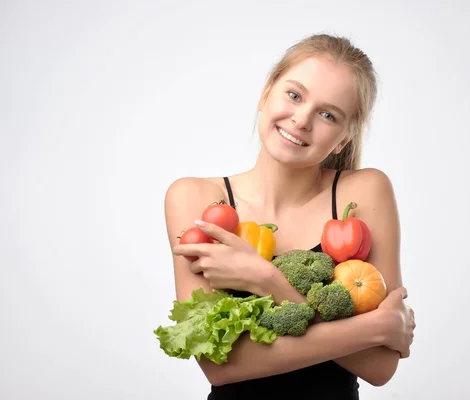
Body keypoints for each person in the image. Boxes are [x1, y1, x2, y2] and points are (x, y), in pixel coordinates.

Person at [164, 33, 416, 400]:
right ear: (266, 93)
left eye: (328, 114)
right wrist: (375, 328)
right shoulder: (196, 198)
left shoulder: (363, 193)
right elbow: (221, 366)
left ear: (344, 138)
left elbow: (379, 368)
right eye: (295, 95)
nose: (301, 120)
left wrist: (271, 283)